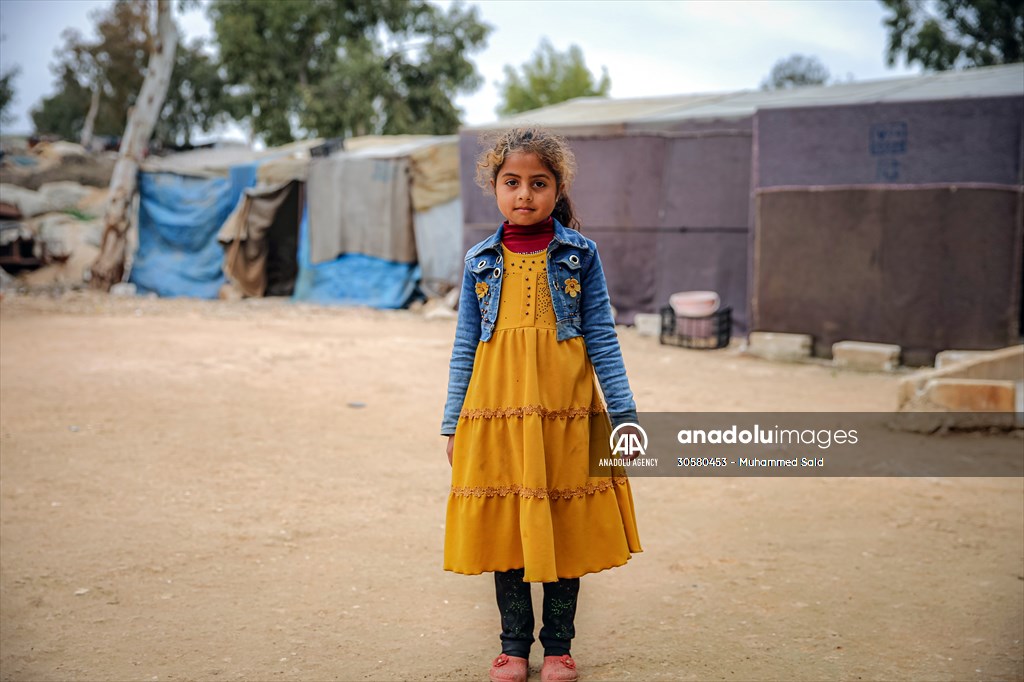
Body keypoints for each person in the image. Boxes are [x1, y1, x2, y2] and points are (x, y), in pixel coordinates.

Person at [440, 127, 642, 682]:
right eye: (512, 182)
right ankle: (511, 647)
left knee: (562, 526)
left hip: (567, 412)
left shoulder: (580, 255)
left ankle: (557, 648)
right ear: (494, 187)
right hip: (496, 414)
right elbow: (464, 346)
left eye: (538, 183)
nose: (524, 194)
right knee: (507, 525)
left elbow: (601, 332)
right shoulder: (480, 260)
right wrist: (452, 422)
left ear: (558, 188)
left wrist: (623, 414)